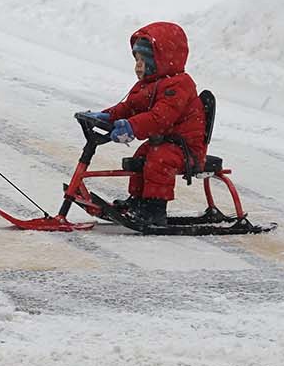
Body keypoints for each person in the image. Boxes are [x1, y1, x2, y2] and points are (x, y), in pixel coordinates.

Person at [80, 22, 207, 227]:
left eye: (144, 60)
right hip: (165, 142)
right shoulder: (148, 85)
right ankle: (138, 201)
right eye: (136, 60)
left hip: (186, 147)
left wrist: (132, 127)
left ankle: (154, 210)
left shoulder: (179, 85)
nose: (138, 66)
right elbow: (130, 107)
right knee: (142, 155)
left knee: (159, 160)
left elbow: (160, 118)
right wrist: (108, 116)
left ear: (162, 61)